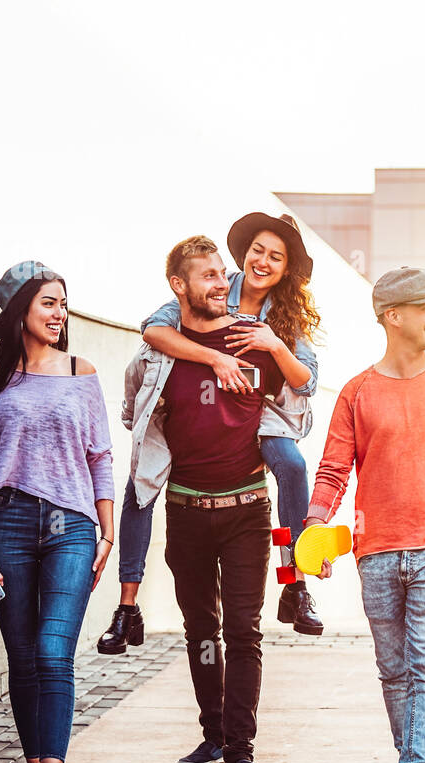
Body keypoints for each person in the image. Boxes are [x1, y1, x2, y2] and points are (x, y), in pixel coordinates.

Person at [306, 266, 425, 763]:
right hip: (377, 551)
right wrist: (314, 533)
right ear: (393, 316)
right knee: (393, 670)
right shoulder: (355, 392)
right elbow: (333, 470)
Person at [99, 212, 321, 653]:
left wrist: (274, 344)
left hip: (261, 415)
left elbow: (307, 382)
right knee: (140, 483)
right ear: (244, 252)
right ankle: (127, 607)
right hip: (204, 413)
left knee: (292, 466)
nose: (263, 261)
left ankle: (294, 584)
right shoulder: (215, 285)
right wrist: (215, 358)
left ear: (285, 268)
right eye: (258, 250)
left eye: (276, 257)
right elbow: (154, 329)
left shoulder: (287, 315)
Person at [133, 234, 287, 763]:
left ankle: (242, 755)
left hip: (248, 509)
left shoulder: (253, 340)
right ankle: (213, 735)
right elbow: (137, 414)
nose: (223, 283)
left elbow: (295, 400)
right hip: (187, 513)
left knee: (244, 631)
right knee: (201, 627)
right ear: (179, 287)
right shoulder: (158, 351)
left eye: (224, 273)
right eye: (209, 276)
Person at [0, 261, 115, 763]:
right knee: (22, 655)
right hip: (7, 525)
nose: (59, 313)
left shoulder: (81, 372)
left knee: (53, 651)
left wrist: (107, 531)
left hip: (71, 525)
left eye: (62, 303)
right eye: (48, 302)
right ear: (18, 308)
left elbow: (101, 457)